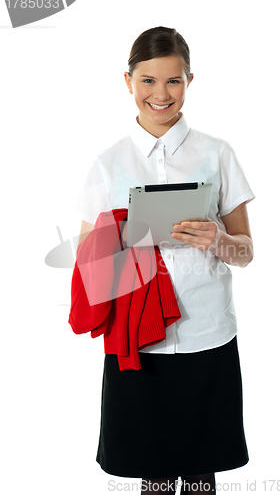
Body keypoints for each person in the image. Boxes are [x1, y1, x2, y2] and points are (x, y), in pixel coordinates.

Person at [73, 26, 255, 495]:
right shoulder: (107, 164)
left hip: (206, 334)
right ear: (128, 81)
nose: (160, 94)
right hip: (138, 342)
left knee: (200, 477)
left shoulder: (217, 153)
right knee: (151, 477)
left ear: (190, 82)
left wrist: (217, 239)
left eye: (173, 81)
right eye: (148, 81)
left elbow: (246, 252)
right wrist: (125, 243)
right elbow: (88, 270)